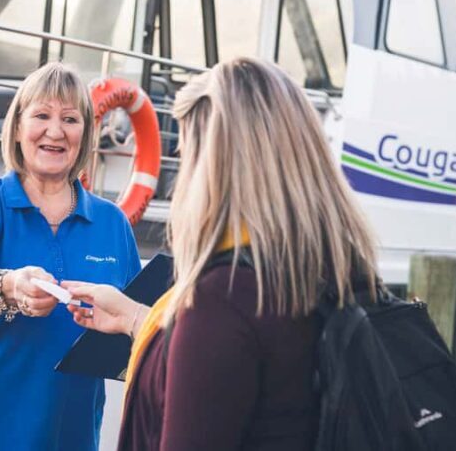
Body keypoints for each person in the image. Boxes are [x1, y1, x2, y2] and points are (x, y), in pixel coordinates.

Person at [63, 57, 379, 450]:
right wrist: (132, 317)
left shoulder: (221, 302)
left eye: (188, 156)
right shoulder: (330, 270)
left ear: (215, 166)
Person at [0, 62, 141, 451]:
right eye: (41, 115)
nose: (55, 131)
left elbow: (136, 324)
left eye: (70, 119)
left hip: (66, 438)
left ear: (85, 134)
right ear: (18, 128)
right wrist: (11, 288)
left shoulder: (113, 223)